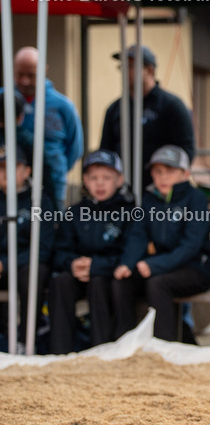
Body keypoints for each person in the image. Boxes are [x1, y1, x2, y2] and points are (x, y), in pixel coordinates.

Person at [112, 145, 210, 342]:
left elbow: (191, 245)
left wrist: (154, 265)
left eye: (169, 171)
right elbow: (138, 235)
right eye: (158, 171)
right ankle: (123, 343)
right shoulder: (150, 199)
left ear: (185, 174)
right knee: (122, 281)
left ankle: (163, 347)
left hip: (196, 267)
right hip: (162, 265)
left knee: (158, 284)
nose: (163, 177)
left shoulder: (197, 199)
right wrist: (127, 264)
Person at [49, 150, 135, 354]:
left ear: (119, 179)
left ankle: (100, 350)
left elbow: (130, 254)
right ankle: (60, 353)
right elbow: (59, 251)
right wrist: (71, 263)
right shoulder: (74, 212)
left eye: (106, 177)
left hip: (107, 275)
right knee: (60, 281)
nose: (100, 184)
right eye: (93, 178)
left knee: (99, 282)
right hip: (79, 273)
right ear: (85, 180)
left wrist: (97, 266)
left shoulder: (130, 212)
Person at [99, 45, 196, 190]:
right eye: (122, 67)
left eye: (130, 66)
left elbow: (186, 150)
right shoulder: (115, 109)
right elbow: (106, 150)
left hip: (159, 190)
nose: (125, 72)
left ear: (149, 70)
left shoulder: (171, 106)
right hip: (123, 189)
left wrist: (166, 179)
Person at [1, 47, 84, 208]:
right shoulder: (3, 99)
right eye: (20, 74)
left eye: (31, 75)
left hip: (51, 181)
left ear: (44, 70)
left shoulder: (62, 105)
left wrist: (56, 170)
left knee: (51, 225)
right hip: (6, 181)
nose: (24, 81)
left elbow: (75, 147)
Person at [0, 144, 56, 348]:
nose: (5, 173)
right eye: (1, 168)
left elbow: (43, 248)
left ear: (27, 171)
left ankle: (26, 341)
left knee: (34, 273)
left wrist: (5, 264)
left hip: (25, 265)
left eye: (11, 167)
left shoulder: (39, 202)